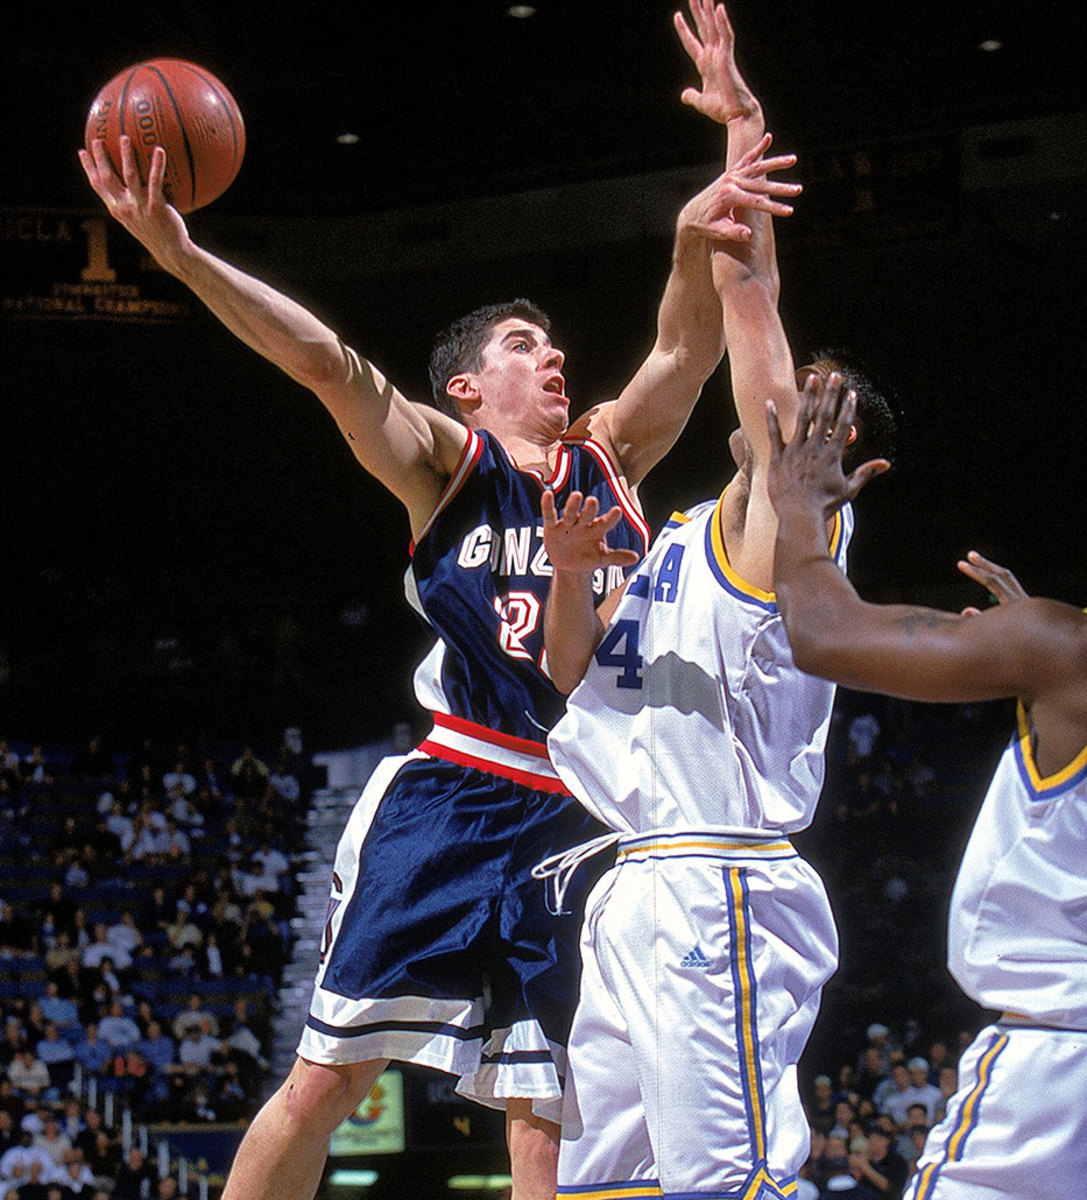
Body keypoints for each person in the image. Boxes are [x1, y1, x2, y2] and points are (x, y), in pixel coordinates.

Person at [78, 27, 801, 1199]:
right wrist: (186, 258)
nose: (555, 357)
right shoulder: (443, 460)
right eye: (526, 346)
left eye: (556, 342)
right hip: (458, 790)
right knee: (327, 1082)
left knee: (549, 1104)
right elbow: (326, 363)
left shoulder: (608, 454)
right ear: (468, 383)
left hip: (585, 800)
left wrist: (699, 205)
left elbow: (685, 338)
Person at [535, 3, 897, 1193]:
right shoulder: (686, 535)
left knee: (726, 1183)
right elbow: (573, 676)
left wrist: (741, 136)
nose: (798, 403)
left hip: (723, 880)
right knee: (599, 1184)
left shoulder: (791, 534)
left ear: (839, 463)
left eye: (820, 405)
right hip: (635, 874)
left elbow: (749, 322)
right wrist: (579, 579)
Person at [763, 375, 1087, 1199]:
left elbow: (822, 632)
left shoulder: (1065, 651)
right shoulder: (1059, 656)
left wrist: (799, 506)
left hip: (1062, 1062)